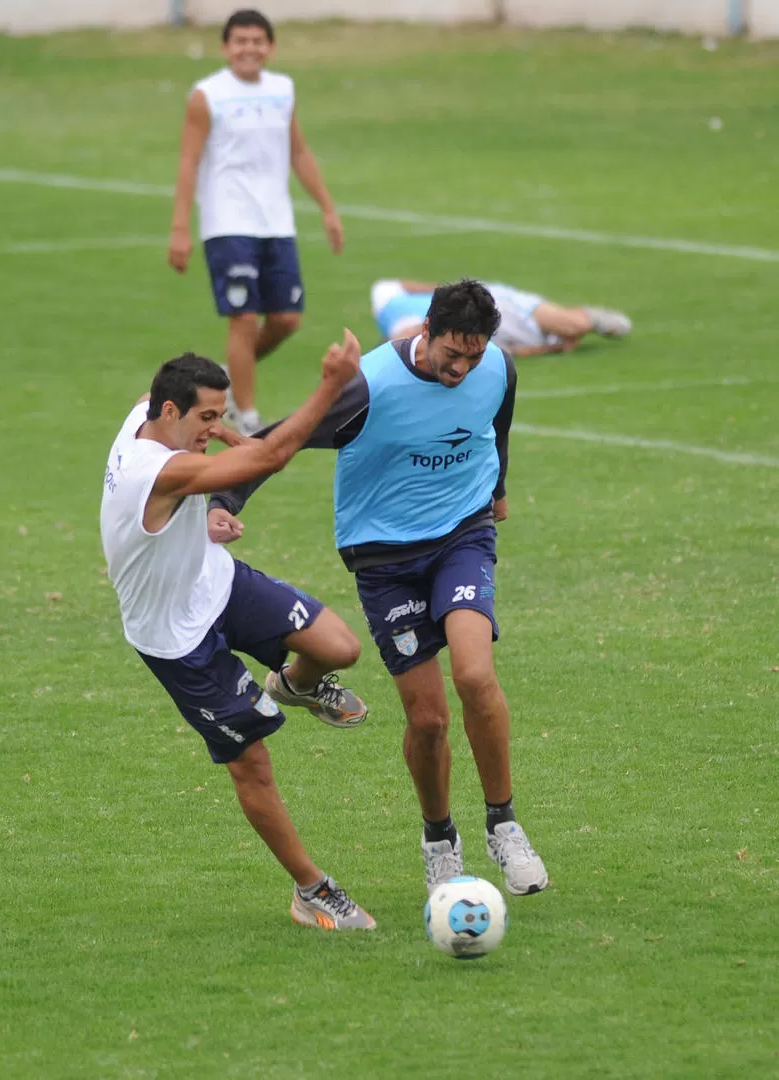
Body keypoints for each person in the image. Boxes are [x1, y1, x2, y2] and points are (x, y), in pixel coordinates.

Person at [208, 280, 549, 897]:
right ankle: (440, 838)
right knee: (428, 719)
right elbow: (280, 441)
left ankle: (505, 825)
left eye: (474, 355)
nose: (463, 367)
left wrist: (496, 492)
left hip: (462, 535)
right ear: (426, 330)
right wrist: (223, 500)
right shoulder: (369, 386)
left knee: (475, 675)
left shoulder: (498, 366)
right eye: (454, 353)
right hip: (385, 555)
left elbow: (495, 426)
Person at [99, 337, 376, 931]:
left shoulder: (146, 416)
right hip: (176, 638)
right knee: (251, 764)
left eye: (218, 415)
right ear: (171, 414)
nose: (213, 427)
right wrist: (330, 385)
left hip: (213, 579)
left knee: (339, 649)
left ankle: (295, 686)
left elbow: (147, 394)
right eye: (205, 417)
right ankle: (311, 889)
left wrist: (220, 432)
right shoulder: (160, 471)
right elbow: (269, 457)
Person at [167, 8, 345, 436]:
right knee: (243, 319)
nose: (249, 48)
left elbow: (298, 151)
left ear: (270, 46)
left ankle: (229, 372)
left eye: (257, 41)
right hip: (228, 221)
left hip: (276, 221)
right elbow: (189, 160)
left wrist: (327, 206)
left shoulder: (283, 90)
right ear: (226, 48)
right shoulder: (207, 94)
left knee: (287, 319)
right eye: (240, 41)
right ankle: (246, 417)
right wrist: (179, 227)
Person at [371, 277, 631, 358]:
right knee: (566, 333)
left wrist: (454, 291)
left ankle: (588, 317)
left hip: (497, 299)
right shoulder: (451, 343)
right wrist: (549, 349)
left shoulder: (386, 301)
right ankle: (567, 328)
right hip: (495, 328)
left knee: (575, 325)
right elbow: (506, 353)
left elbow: (396, 284)